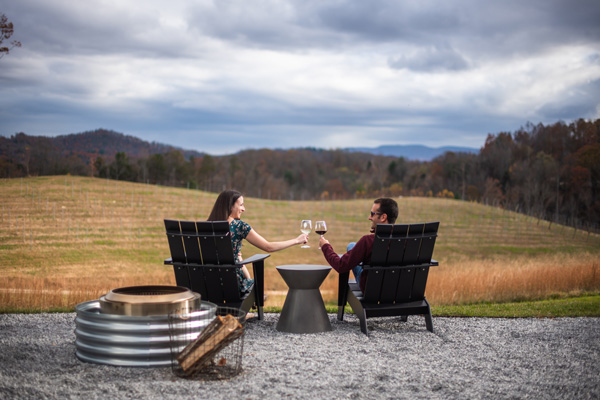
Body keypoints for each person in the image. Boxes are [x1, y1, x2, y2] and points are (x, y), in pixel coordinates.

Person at [208, 189, 308, 295]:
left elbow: (237, 258)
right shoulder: (239, 226)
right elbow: (268, 247)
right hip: (233, 285)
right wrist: (297, 240)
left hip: (208, 283)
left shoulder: (206, 227)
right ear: (230, 206)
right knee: (253, 285)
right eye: (241, 205)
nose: (243, 209)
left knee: (249, 281)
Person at [319, 197, 399, 292]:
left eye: (372, 214)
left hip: (371, 290)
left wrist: (325, 246)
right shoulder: (405, 241)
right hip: (396, 289)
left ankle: (341, 304)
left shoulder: (368, 241)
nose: (369, 217)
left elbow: (341, 266)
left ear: (383, 217)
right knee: (352, 246)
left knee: (351, 247)